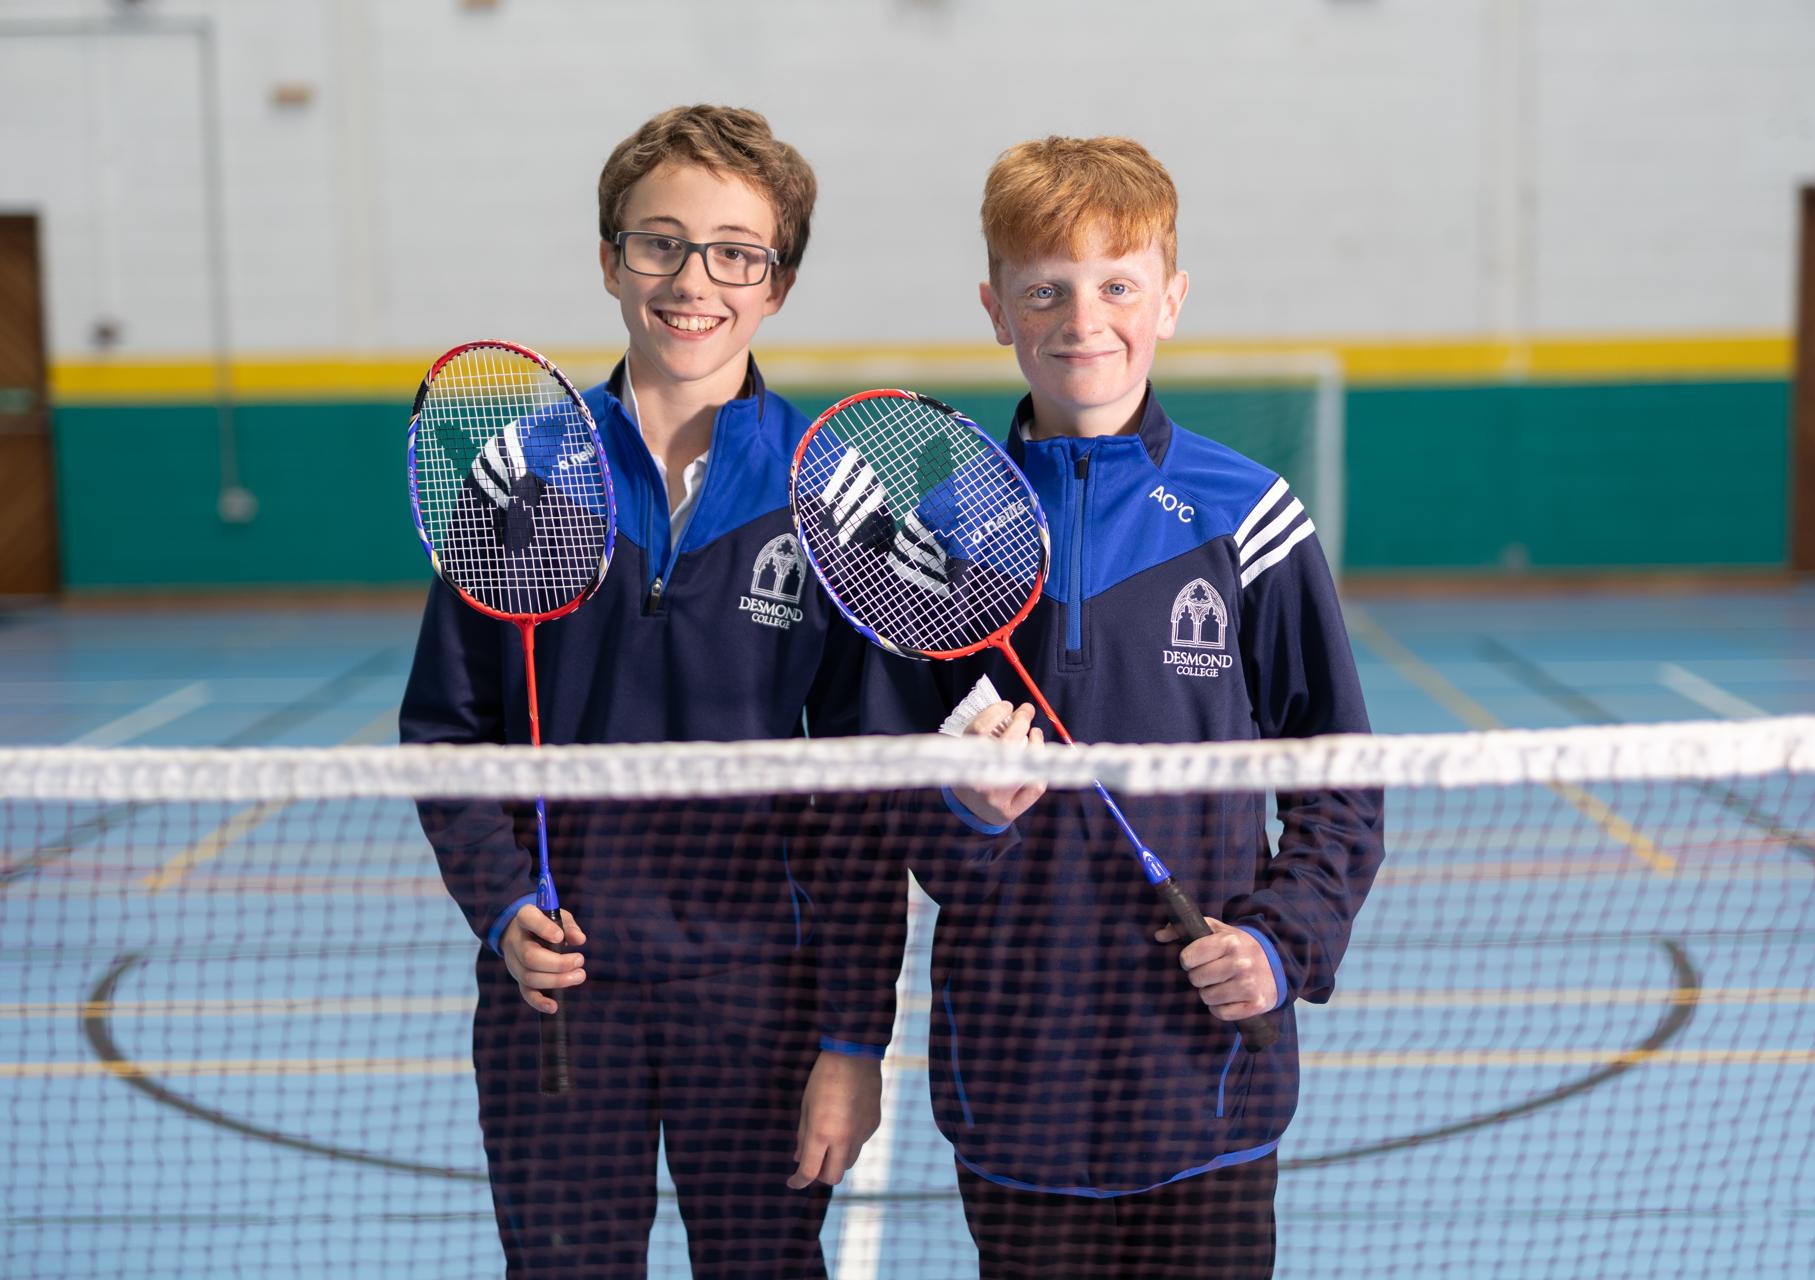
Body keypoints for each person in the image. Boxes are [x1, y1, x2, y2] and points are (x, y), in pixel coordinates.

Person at [824, 135, 1387, 1279]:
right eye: (1046, 290)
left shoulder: (1249, 518)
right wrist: (963, 810)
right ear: (997, 309)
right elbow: (875, 806)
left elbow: (1339, 780)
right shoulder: (931, 536)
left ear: (1170, 299)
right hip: (1015, 1081)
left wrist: (1282, 940)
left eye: (1118, 286)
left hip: (1209, 1080)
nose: (1084, 319)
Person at [399, 104, 876, 1279]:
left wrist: (854, 1036)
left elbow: (868, 795)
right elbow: (449, 729)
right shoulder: (523, 476)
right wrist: (503, 905)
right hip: (558, 988)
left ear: (778, 283)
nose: (692, 280)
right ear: (611, 260)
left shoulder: (827, 491)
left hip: (759, 994)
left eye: (735, 252)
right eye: (660, 243)